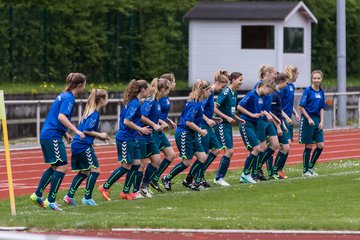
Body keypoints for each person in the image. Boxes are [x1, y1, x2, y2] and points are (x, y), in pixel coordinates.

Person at [30, 72, 87, 211]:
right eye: (84, 85)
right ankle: (50, 200)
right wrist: (76, 130)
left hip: (50, 134)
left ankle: (37, 195)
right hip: (52, 136)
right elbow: (61, 117)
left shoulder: (63, 95)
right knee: (62, 166)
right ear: (80, 85)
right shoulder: (69, 98)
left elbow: (56, 117)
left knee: (56, 166)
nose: (85, 87)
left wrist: (65, 133)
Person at [98, 79, 151, 201]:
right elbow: (127, 121)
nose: (149, 91)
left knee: (136, 164)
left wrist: (136, 130)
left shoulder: (135, 102)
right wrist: (140, 129)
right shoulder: (135, 104)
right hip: (125, 138)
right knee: (126, 166)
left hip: (132, 137)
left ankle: (125, 192)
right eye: (147, 88)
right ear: (142, 89)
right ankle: (105, 187)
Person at [161, 79, 211, 191]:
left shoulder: (198, 102)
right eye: (209, 90)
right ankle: (167, 178)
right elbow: (189, 122)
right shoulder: (195, 103)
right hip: (184, 133)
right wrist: (201, 131)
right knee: (187, 162)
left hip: (191, 134)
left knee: (202, 157)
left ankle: (188, 180)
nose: (210, 93)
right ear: (203, 91)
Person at [63, 89, 110, 206]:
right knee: (95, 170)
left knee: (84, 172)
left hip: (78, 144)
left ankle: (69, 196)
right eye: (106, 98)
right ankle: (87, 198)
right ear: (102, 99)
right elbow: (87, 130)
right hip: (82, 146)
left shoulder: (89, 111)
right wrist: (101, 135)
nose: (107, 100)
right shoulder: (94, 113)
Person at [182, 70, 228, 188]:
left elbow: (205, 111)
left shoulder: (211, 93)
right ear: (218, 82)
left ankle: (198, 176)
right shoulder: (208, 93)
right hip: (202, 125)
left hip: (207, 124)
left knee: (217, 149)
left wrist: (213, 118)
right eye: (223, 86)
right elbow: (199, 111)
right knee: (205, 154)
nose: (222, 89)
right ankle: (196, 177)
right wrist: (207, 120)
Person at [133, 78, 171, 198]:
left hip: (149, 135)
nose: (168, 92)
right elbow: (142, 117)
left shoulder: (157, 101)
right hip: (142, 135)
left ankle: (144, 187)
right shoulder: (150, 101)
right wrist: (154, 125)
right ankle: (136, 190)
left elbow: (153, 116)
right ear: (162, 89)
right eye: (167, 90)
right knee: (142, 164)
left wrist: (161, 122)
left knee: (156, 160)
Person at [237, 79, 274, 184]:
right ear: (264, 86)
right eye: (269, 91)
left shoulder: (262, 97)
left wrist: (263, 113)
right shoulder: (252, 94)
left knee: (257, 149)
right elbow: (239, 106)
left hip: (254, 125)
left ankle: (246, 174)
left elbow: (259, 109)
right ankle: (245, 174)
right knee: (256, 149)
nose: (269, 94)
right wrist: (252, 115)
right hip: (246, 124)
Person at [213, 72, 245, 186]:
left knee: (227, 152)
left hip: (227, 125)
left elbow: (230, 110)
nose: (242, 82)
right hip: (221, 124)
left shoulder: (234, 92)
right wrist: (226, 117)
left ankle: (214, 177)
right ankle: (218, 178)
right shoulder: (226, 92)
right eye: (240, 80)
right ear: (233, 80)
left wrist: (238, 118)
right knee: (228, 151)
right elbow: (215, 108)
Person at [149, 73, 177, 192]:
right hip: (155, 130)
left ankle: (154, 179)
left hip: (160, 130)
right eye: (173, 81)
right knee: (149, 161)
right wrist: (160, 123)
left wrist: (168, 120)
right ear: (168, 83)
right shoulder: (159, 97)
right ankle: (143, 184)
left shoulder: (165, 96)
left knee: (171, 155)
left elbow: (161, 113)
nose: (175, 84)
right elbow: (153, 114)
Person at [251, 65, 279, 181]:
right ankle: (255, 171)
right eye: (274, 73)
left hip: (268, 119)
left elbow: (267, 107)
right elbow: (256, 105)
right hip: (261, 121)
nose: (276, 75)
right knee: (261, 147)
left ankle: (258, 167)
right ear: (267, 73)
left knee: (275, 144)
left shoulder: (271, 85)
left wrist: (275, 118)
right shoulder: (259, 85)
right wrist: (265, 114)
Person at [299, 70, 326, 177]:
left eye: (318, 78)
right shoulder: (308, 91)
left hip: (317, 119)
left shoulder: (321, 92)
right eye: (314, 78)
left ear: (321, 79)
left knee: (320, 145)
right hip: (308, 119)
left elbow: (322, 108)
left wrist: (322, 121)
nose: (316, 80)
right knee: (309, 145)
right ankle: (305, 170)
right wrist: (309, 118)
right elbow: (301, 107)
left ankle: (310, 167)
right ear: (312, 79)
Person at [277, 65, 301, 178]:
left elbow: (288, 104)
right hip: (282, 119)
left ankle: (278, 169)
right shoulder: (284, 87)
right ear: (293, 73)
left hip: (288, 119)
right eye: (297, 73)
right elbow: (278, 105)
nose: (298, 76)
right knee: (284, 146)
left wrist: (295, 113)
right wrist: (286, 117)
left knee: (288, 145)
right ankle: (277, 169)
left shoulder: (292, 86)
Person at [269, 73, 291, 178]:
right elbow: (270, 112)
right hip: (274, 124)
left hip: (279, 123)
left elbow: (278, 111)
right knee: (280, 147)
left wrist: (283, 124)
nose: (286, 85)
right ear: (281, 82)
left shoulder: (277, 93)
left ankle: (277, 170)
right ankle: (273, 171)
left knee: (285, 147)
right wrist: (278, 126)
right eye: (286, 82)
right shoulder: (273, 94)